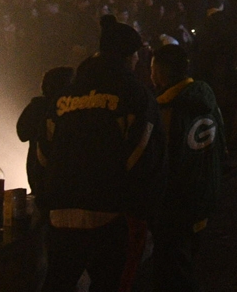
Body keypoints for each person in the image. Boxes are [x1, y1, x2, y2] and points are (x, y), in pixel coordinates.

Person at [43, 16, 165, 292]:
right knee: (110, 283)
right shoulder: (135, 94)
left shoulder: (66, 94)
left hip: (60, 212)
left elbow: (44, 150)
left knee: (58, 282)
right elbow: (145, 150)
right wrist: (140, 206)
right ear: (129, 56)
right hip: (110, 214)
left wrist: (47, 197)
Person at [150, 43, 225, 292]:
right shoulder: (207, 100)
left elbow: (161, 164)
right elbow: (221, 148)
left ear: (160, 71)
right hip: (205, 195)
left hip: (176, 205)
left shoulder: (166, 111)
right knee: (189, 260)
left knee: (174, 271)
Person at [17, 65, 74, 201]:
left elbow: (22, 133)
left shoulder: (36, 106)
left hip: (36, 173)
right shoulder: (65, 110)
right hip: (58, 176)